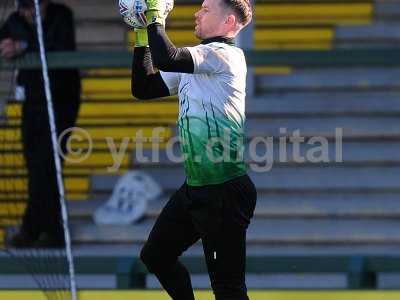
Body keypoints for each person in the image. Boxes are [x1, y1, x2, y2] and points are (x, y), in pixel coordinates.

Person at [131, 0, 256, 299]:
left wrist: (154, 15)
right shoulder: (199, 59)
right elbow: (143, 88)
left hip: (225, 191)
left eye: (206, 9)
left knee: (228, 289)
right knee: (156, 256)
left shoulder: (225, 55)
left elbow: (168, 57)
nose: (197, 13)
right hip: (197, 189)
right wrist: (140, 34)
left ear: (228, 22)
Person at [0, 0, 81, 247]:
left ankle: (40, 230)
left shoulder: (61, 16)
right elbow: (5, 44)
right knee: (35, 164)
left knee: (48, 163)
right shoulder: (14, 21)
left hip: (61, 100)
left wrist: (24, 45)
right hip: (32, 102)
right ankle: (41, 229)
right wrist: (8, 46)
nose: (29, 11)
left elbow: (59, 46)